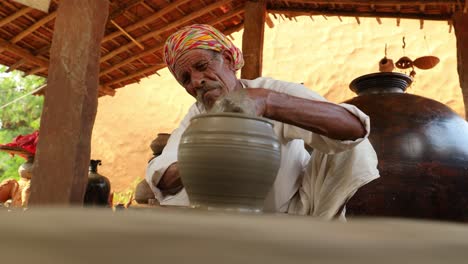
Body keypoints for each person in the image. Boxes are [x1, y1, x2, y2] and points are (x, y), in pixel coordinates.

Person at [146, 24, 379, 218]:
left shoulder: (269, 90)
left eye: (202, 66)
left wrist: (269, 103)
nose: (196, 81)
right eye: (186, 79)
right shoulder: (196, 115)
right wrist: (208, 157)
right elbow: (161, 175)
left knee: (353, 148)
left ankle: (321, 239)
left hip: (292, 212)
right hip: (225, 220)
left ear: (227, 59)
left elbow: (354, 127)